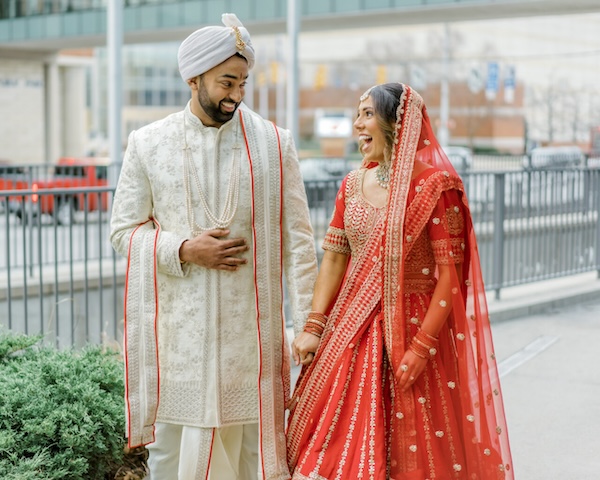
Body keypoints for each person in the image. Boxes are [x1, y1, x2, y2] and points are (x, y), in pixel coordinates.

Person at [110, 13, 318, 480]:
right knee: (171, 461)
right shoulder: (149, 144)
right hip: (179, 345)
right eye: (227, 82)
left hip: (252, 346)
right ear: (194, 77)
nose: (237, 95)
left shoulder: (273, 144)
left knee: (251, 460)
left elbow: (299, 245)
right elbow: (123, 232)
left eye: (244, 82)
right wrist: (184, 250)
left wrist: (309, 327)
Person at [287, 83, 513, 479]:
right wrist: (314, 325)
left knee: (416, 446)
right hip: (351, 329)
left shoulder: (435, 188)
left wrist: (421, 348)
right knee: (331, 445)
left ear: (399, 123)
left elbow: (449, 278)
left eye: (368, 114)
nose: (358, 124)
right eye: (358, 114)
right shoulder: (352, 184)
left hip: (411, 330)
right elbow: (335, 259)